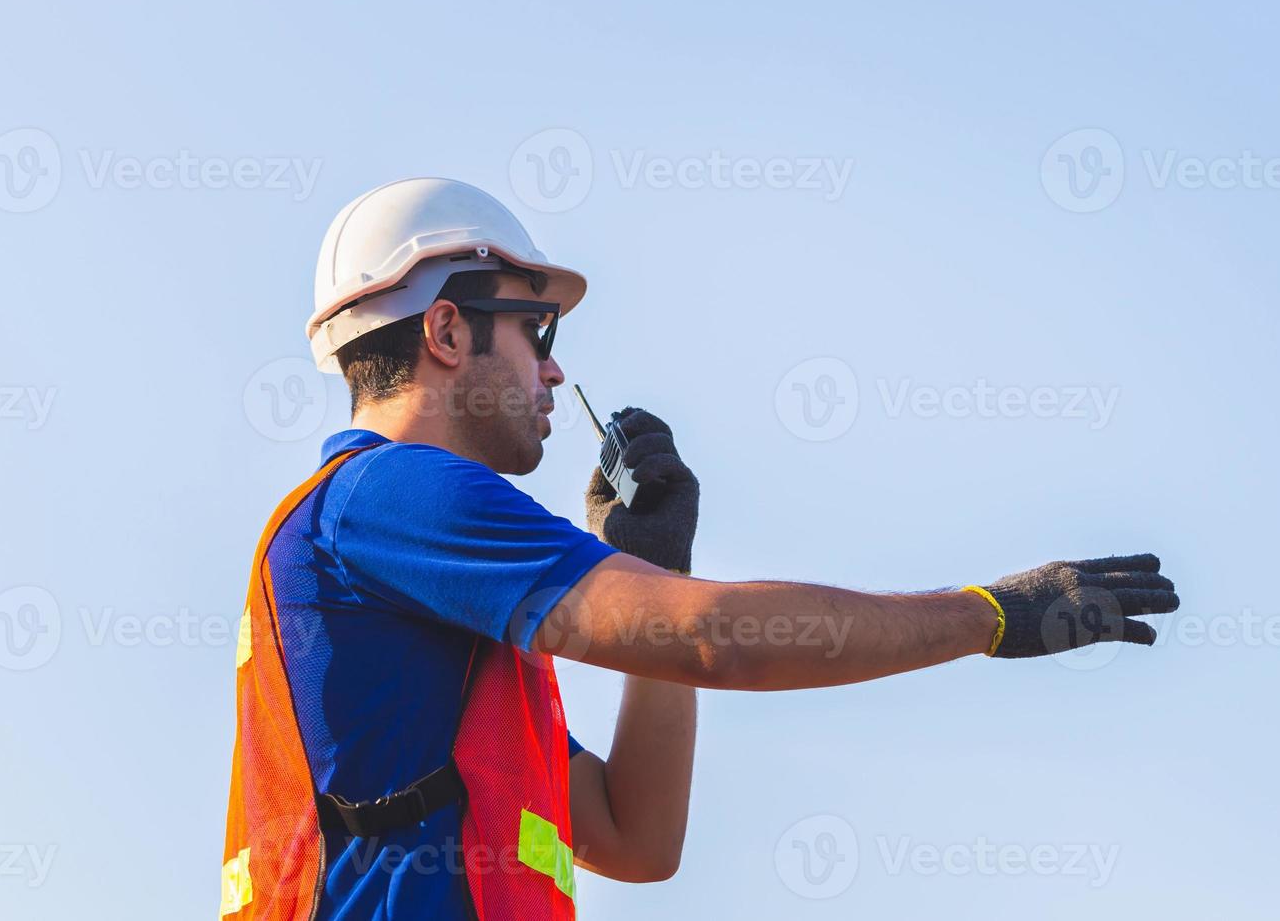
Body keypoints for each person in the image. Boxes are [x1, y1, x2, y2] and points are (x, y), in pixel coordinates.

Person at [219, 177, 1180, 920]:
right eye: (535, 328)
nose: (553, 367)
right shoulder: (395, 495)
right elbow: (718, 640)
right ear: (444, 330)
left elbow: (636, 837)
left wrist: (660, 573)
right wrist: (989, 615)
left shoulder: (419, 594)